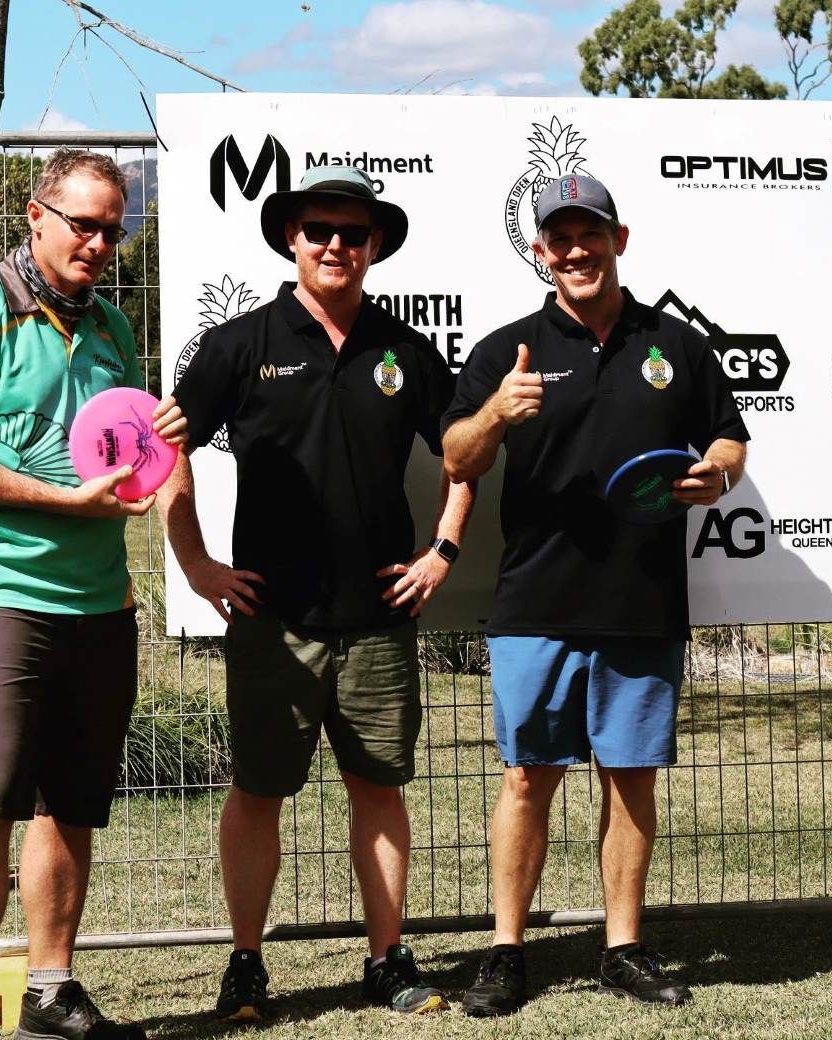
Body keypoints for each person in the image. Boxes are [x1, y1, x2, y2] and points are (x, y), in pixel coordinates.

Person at [156, 165, 475, 1019]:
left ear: (375, 246)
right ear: (290, 241)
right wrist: (194, 565)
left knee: (379, 791)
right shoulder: (240, 344)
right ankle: (247, 965)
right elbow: (167, 449)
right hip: (272, 618)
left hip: (377, 619)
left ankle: (388, 960)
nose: (336, 244)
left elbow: (464, 455)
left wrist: (443, 549)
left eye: (353, 233)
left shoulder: (405, 350)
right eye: (318, 231)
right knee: (258, 792)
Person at [441, 174, 749, 1015]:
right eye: (559, 238)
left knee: (631, 781)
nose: (576, 251)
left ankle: (623, 947)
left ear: (620, 238)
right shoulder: (508, 349)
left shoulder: (676, 346)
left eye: (591, 234)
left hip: (643, 602)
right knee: (526, 780)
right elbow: (457, 461)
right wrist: (497, 414)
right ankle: (507, 952)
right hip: (535, 603)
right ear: (539, 250)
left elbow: (729, 435)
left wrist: (716, 473)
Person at [0, 148, 186, 1040]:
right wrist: (59, 499)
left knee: (72, 803)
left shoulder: (109, 329)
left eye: (115, 229)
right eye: (85, 225)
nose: (101, 243)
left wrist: (162, 446)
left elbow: (126, 467)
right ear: (36, 217)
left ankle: (53, 992)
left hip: (101, 600)